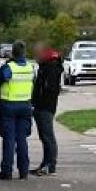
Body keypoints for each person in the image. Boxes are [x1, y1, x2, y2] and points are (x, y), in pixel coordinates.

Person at [0, 41, 34, 180]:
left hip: (9, 105)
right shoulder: (30, 67)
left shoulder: (8, 67)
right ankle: (24, 171)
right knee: (22, 139)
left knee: (9, 139)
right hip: (25, 105)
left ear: (12, 52)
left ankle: (7, 171)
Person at [30, 42, 64, 176]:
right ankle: (45, 163)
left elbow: (50, 89)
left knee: (48, 136)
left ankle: (50, 164)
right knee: (44, 136)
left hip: (46, 106)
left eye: (37, 54)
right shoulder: (45, 66)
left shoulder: (52, 68)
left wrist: (40, 102)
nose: (35, 57)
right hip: (40, 105)